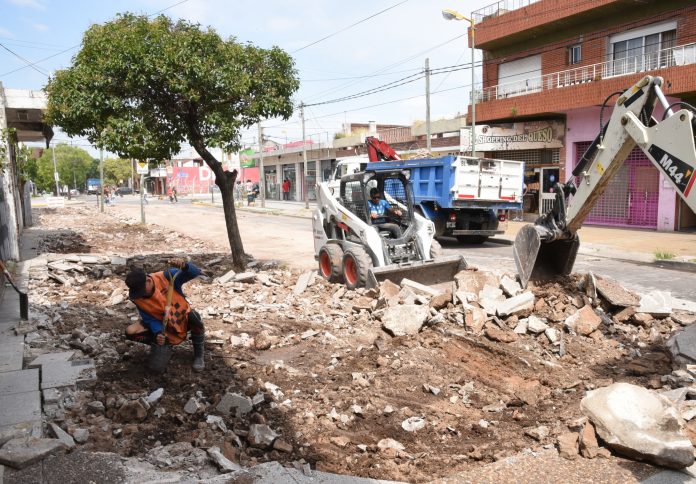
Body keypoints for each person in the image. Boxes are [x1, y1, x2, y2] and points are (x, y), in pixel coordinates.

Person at [124, 258, 205, 373]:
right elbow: (149, 319)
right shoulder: (137, 297)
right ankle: (163, 343)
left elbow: (195, 272)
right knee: (131, 331)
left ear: (148, 280)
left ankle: (199, 355)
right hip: (163, 327)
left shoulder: (166, 276)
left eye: (142, 290)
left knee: (194, 317)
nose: (141, 294)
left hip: (182, 318)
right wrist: (158, 333)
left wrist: (185, 266)